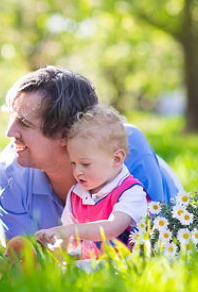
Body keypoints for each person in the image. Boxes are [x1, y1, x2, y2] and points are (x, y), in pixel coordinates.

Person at [0, 66, 181, 245]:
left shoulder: (127, 148)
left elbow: (154, 244)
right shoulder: (10, 172)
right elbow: (25, 259)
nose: (9, 132)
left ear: (65, 132)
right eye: (11, 118)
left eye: (24, 124)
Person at [35, 104, 148, 259]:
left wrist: (67, 231)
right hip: (91, 265)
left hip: (124, 266)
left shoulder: (130, 191)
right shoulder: (76, 194)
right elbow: (68, 239)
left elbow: (111, 228)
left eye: (85, 164)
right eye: (73, 164)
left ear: (116, 159)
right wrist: (55, 247)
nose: (77, 171)